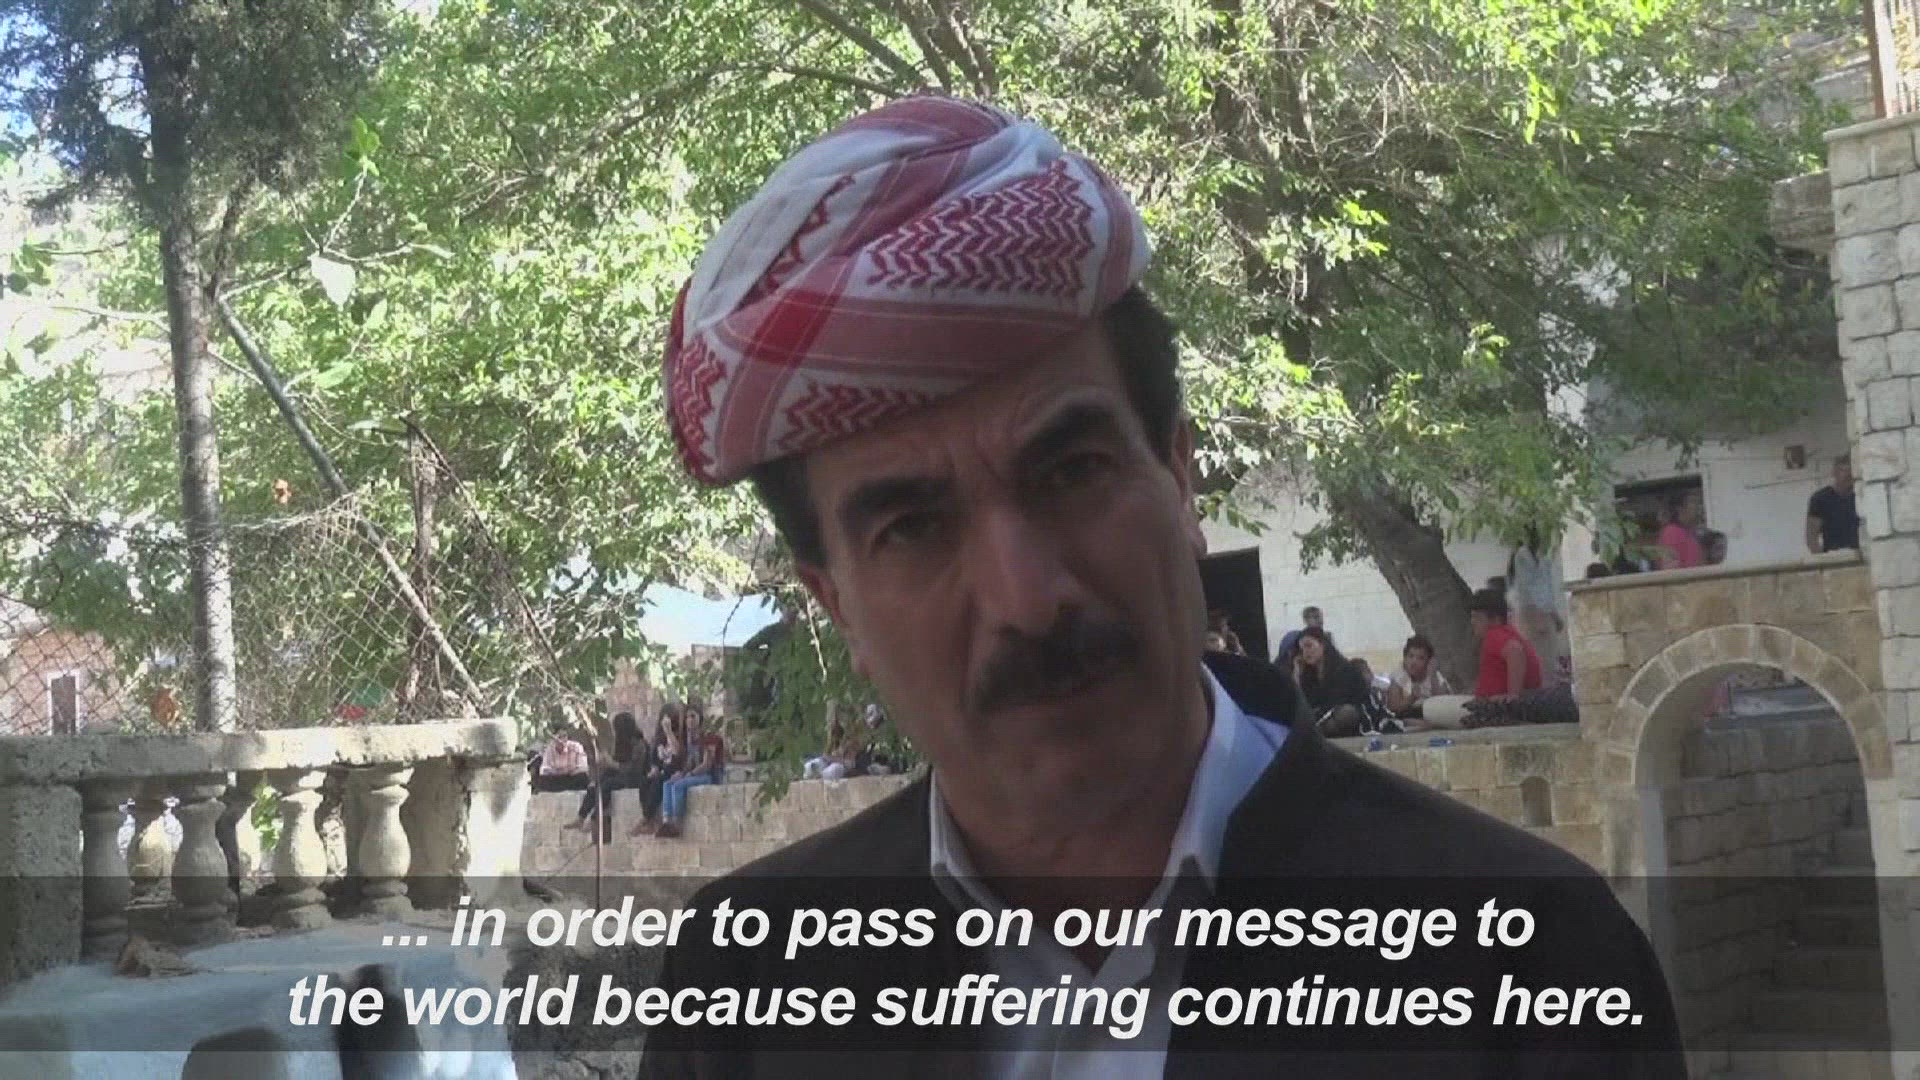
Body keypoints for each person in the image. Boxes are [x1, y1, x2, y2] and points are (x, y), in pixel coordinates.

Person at [641, 95, 1680, 1076]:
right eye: (912, 528)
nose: (1027, 600)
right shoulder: (741, 991)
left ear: (1180, 481)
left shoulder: (1534, 966)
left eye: (1071, 473)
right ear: (837, 607)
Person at [564, 710, 642, 840]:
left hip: (634, 778)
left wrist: (612, 764)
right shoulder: (622, 744)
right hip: (621, 775)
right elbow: (617, 762)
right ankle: (581, 817)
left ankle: (595, 818)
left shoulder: (639, 745)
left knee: (607, 785)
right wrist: (604, 762)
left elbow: (633, 769)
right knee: (597, 783)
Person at [654, 710, 727, 839]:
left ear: (700, 718)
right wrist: (681, 773)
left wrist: (689, 774)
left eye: (693, 716)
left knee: (678, 786)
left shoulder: (710, 737)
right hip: (695, 774)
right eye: (687, 717)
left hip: (710, 776)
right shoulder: (690, 740)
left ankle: (677, 824)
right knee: (668, 784)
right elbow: (689, 763)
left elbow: (707, 765)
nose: (690, 720)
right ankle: (667, 822)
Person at [1294, 627, 1375, 737]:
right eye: (1302, 649)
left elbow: (1337, 702)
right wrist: (1297, 673)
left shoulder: (1344, 669)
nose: (1305, 652)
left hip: (1351, 720)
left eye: (1309, 646)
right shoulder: (1309, 675)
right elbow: (1303, 703)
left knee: (1346, 713)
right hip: (1320, 719)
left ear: (1323, 645)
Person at [1469, 590, 1543, 699]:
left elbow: (1515, 650)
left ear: (1495, 619)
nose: (1472, 621)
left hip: (1497, 706)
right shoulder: (1508, 633)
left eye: (1477, 617)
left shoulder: (1494, 634)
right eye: (1472, 616)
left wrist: (1513, 696)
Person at [629, 704, 686, 837]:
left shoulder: (679, 736)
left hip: (674, 771)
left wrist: (669, 732)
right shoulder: (659, 739)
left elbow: (677, 753)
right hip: (662, 771)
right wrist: (654, 769)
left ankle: (645, 819)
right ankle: (650, 821)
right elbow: (655, 760)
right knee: (645, 782)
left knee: (659, 782)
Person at [1384, 634, 1453, 716]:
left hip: (1432, 713)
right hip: (1408, 714)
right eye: (1411, 656)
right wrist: (1412, 698)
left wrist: (1433, 677)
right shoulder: (1400, 674)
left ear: (1428, 662)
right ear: (1405, 658)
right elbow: (1393, 707)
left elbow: (1444, 705)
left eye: (1420, 658)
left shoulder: (1434, 675)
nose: (1414, 662)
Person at [1807, 453, 1860, 554]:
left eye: (1850, 471)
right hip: (1834, 556)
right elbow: (1811, 537)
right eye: (1843, 470)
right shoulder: (1820, 499)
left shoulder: (1861, 496)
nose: (1847, 475)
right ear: (1834, 472)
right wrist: (1822, 558)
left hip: (1861, 554)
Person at [1656, 489, 1706, 570]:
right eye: (1694, 502)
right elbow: (1670, 569)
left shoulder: (1692, 533)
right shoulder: (1671, 533)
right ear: (1680, 508)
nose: (1699, 507)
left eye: (1700, 503)